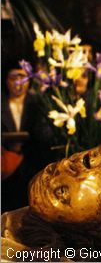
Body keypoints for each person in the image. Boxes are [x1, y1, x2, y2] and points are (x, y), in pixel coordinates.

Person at [1, 61, 52, 211]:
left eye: (22, 77)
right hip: (5, 166)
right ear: (6, 80)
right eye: (13, 78)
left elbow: (47, 134)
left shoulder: (39, 103)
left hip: (32, 165)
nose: (18, 83)